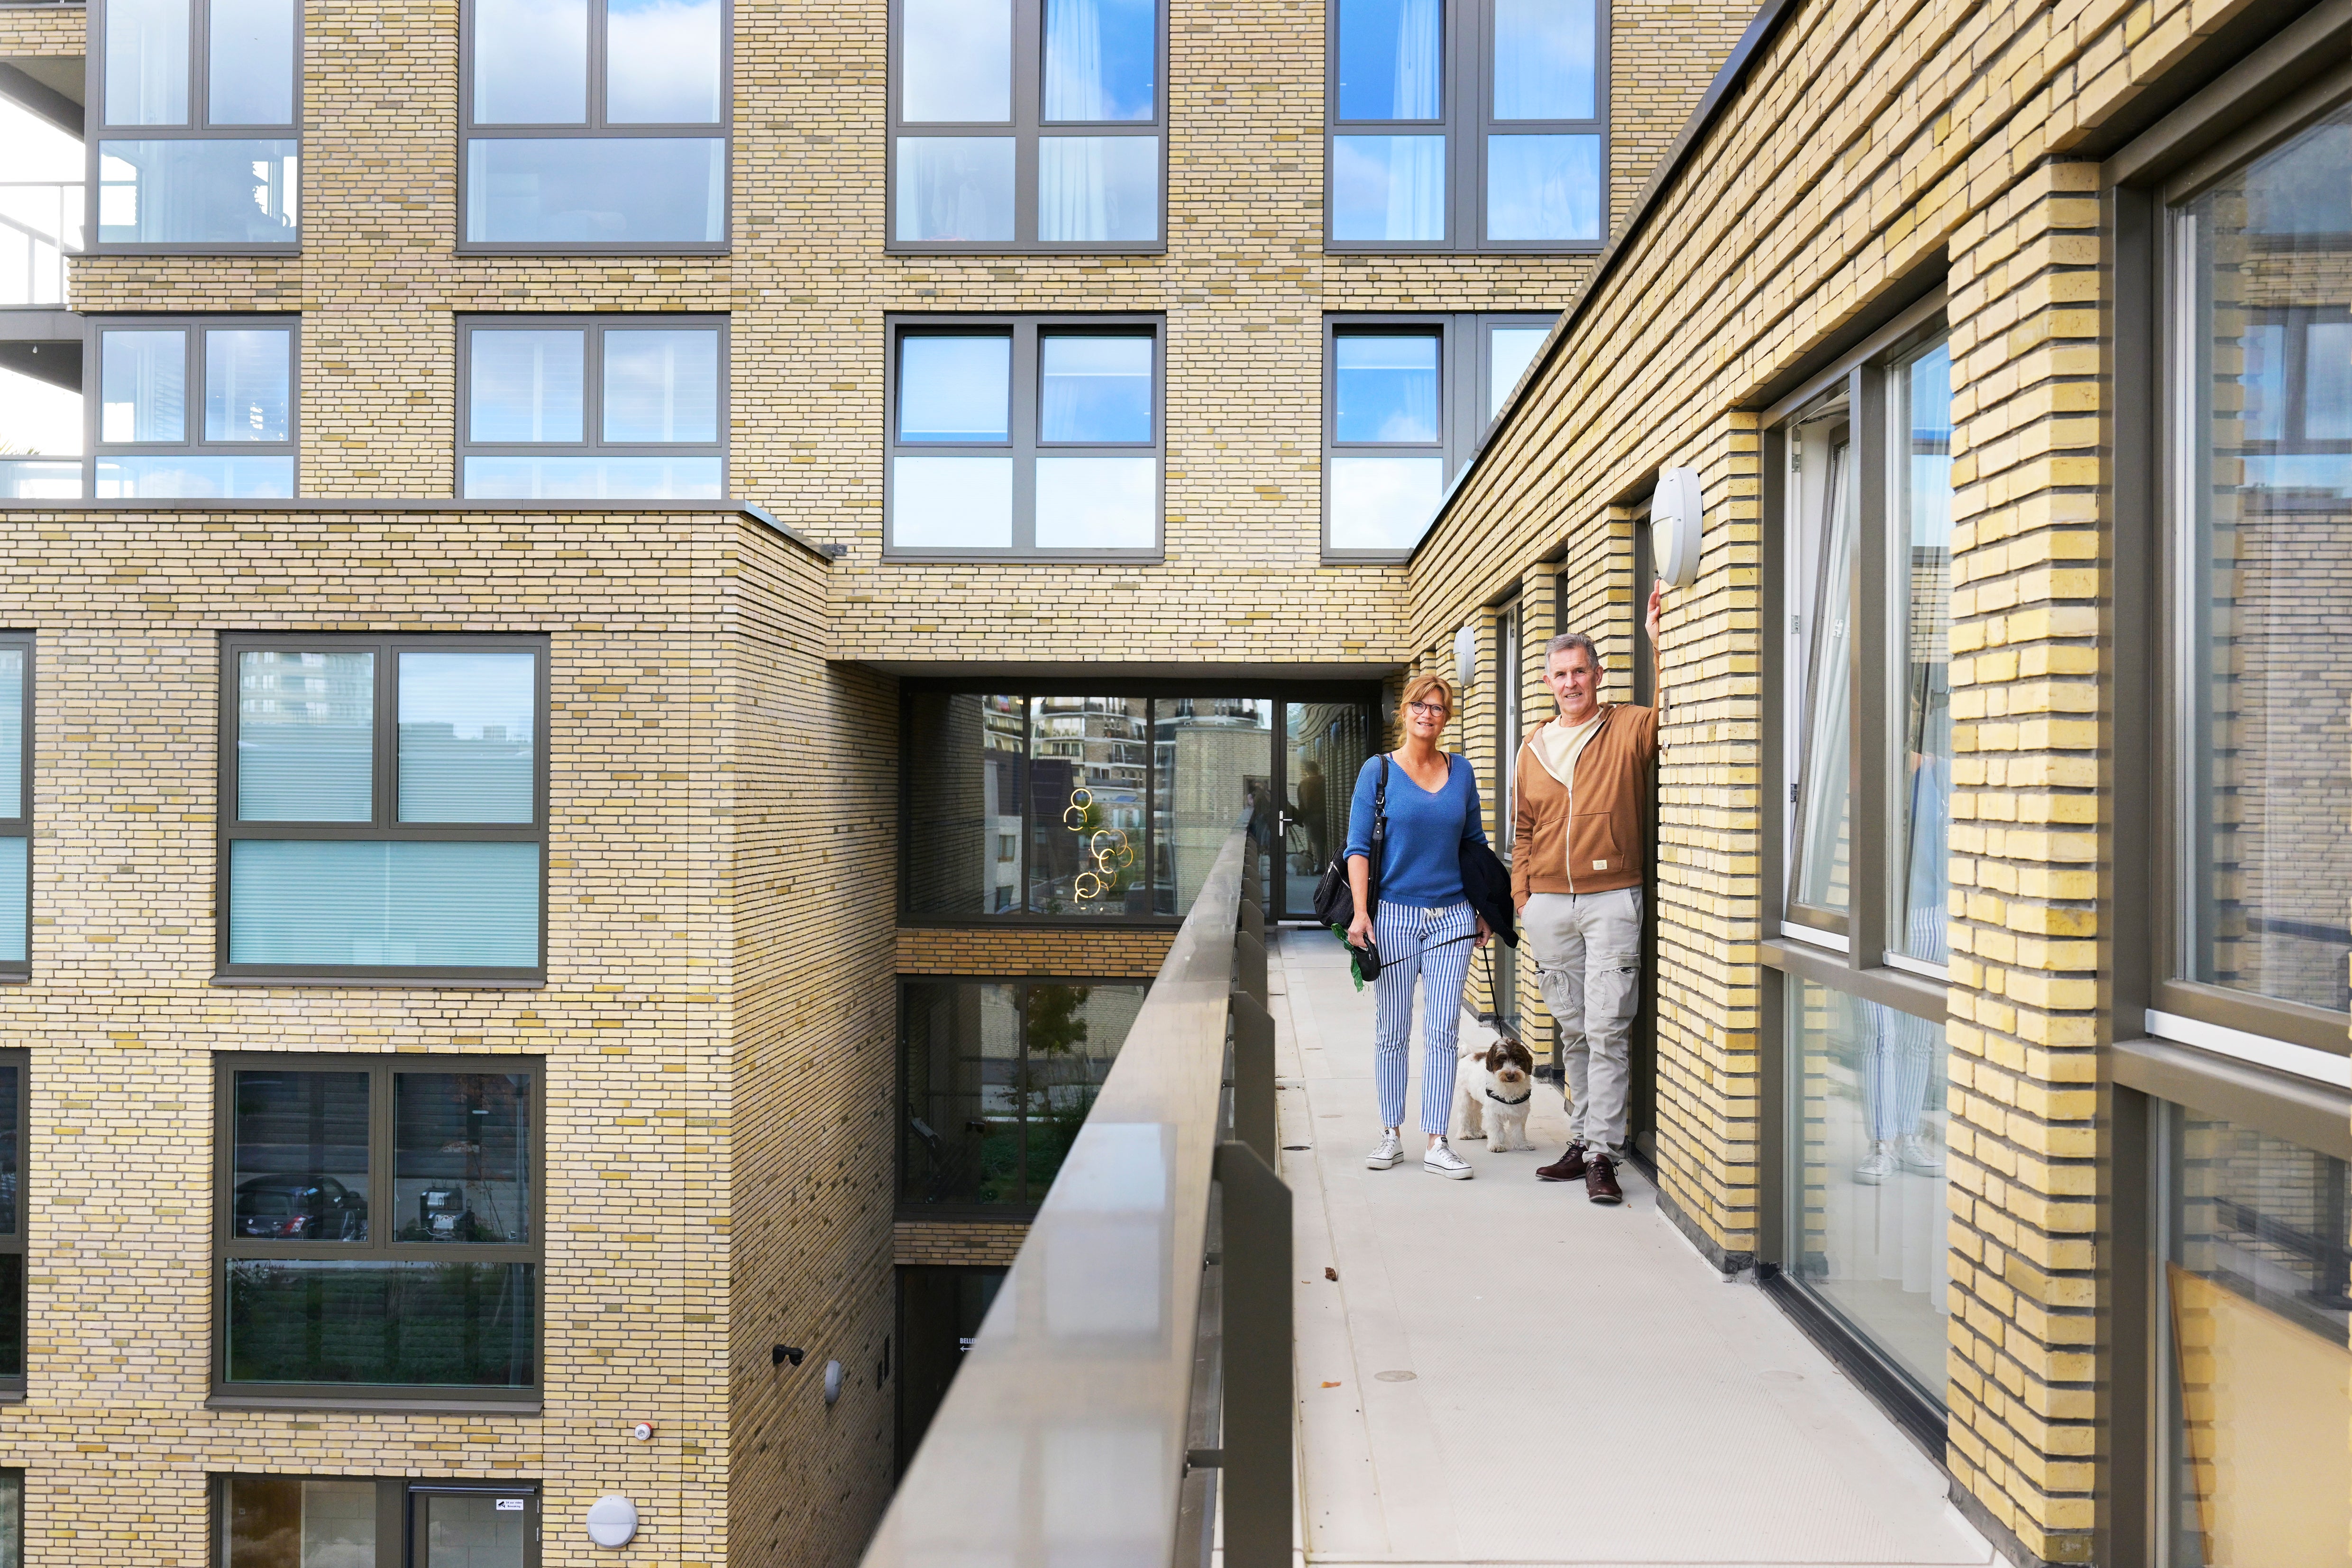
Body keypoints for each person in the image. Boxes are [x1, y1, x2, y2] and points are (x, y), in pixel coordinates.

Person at [1514, 583, 1666, 1204]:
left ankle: (1602, 1151)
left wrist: (1661, 646)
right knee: (1573, 1029)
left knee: (1607, 1027)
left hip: (1611, 898)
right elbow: (1523, 825)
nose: (1571, 682)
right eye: (1561, 674)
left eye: (1580, 671)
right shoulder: (1532, 747)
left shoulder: (1627, 727)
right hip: (1548, 906)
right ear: (1549, 682)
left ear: (1597, 676)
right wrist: (1522, 894)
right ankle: (1580, 1141)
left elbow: (1671, 714)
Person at [1345, 673, 1493, 1179]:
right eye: (1419, 705)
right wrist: (1361, 912)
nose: (1427, 713)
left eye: (1437, 707)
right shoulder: (1377, 771)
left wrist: (1483, 907)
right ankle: (1390, 1132)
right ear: (1403, 711)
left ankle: (1437, 1140)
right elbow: (1357, 847)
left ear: (1446, 717)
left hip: (1451, 916)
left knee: (1443, 1027)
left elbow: (1473, 842)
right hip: (1393, 916)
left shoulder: (1462, 771)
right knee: (1392, 1028)